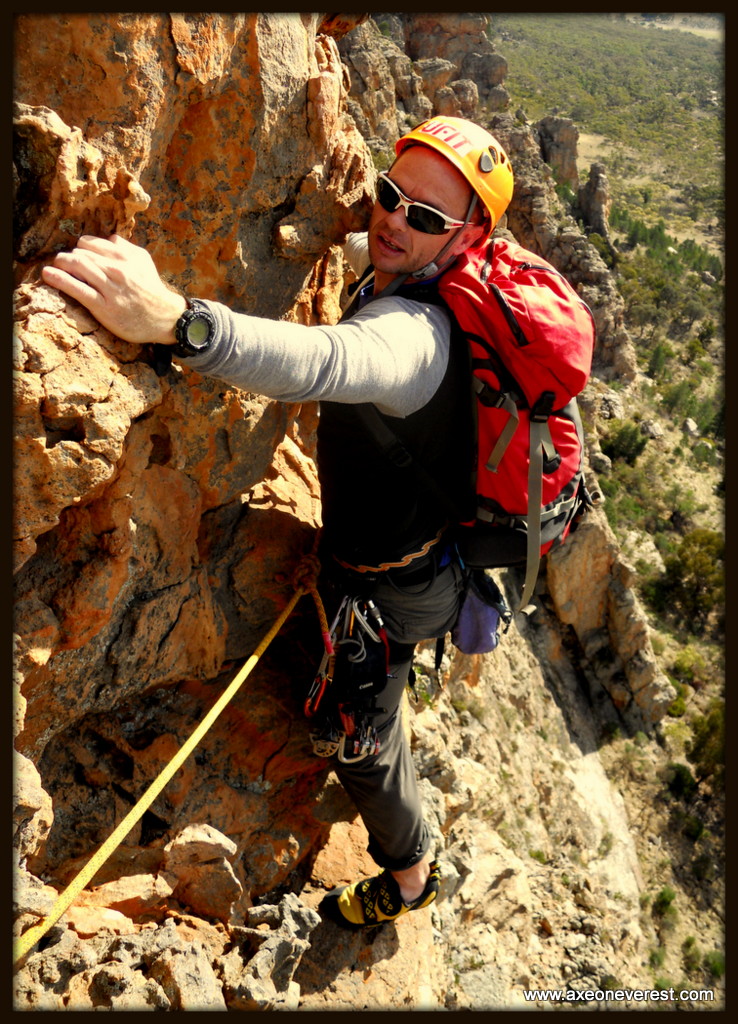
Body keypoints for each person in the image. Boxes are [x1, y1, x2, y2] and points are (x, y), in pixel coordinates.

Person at [41, 116, 515, 929]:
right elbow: (355, 244)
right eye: (388, 195)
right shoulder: (409, 270)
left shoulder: (418, 334)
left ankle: (411, 875)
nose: (394, 220)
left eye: (426, 217)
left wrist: (173, 320)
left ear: (470, 234)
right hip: (385, 557)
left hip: (397, 588)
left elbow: (331, 361)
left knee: (362, 739)